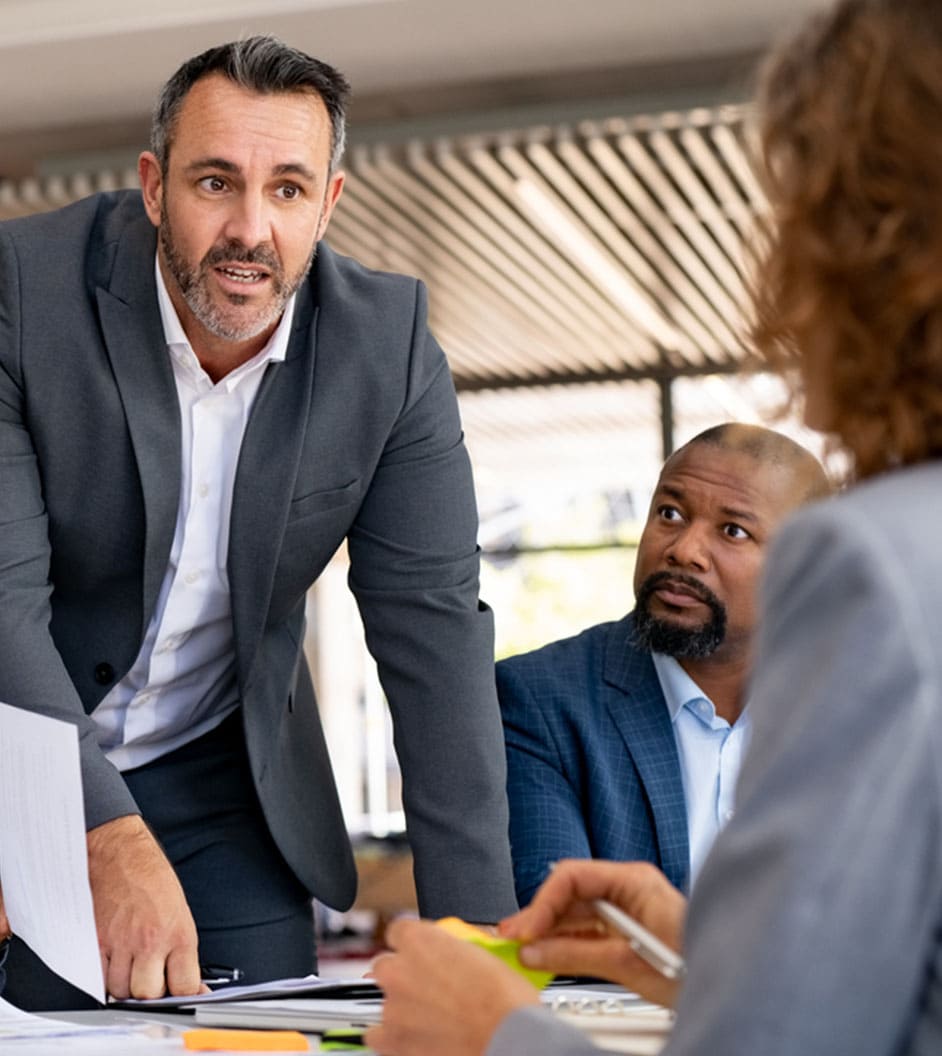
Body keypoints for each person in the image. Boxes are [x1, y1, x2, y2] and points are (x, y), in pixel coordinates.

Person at [366, 0, 942, 1053]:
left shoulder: (880, 566)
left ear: (869, 244)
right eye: (671, 512)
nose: (776, 287)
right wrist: (703, 951)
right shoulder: (552, 695)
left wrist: (491, 1033)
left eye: (796, 217)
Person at [0, 36, 516, 1008]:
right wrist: (100, 836)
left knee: (264, 1028)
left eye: (287, 189)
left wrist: (482, 953)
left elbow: (436, 643)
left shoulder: (388, 349)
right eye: (215, 182)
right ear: (153, 187)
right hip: (17, 746)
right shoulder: (22, 291)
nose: (250, 229)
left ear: (329, 202)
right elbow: (2, 606)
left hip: (217, 781)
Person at [498, 423, 829, 905]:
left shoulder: (857, 709)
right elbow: (564, 916)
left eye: (733, 531)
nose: (683, 550)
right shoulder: (540, 701)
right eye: (670, 513)